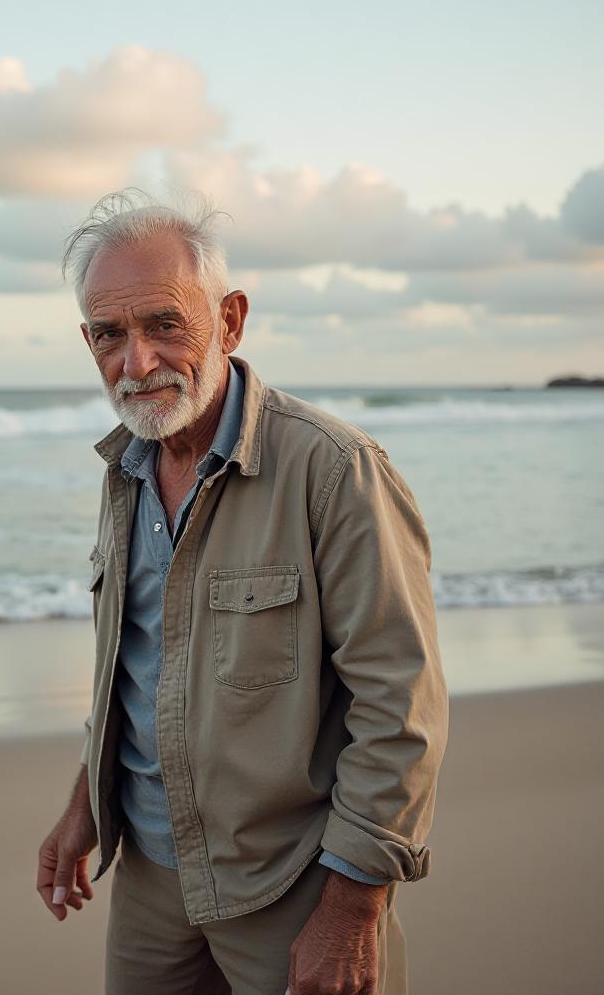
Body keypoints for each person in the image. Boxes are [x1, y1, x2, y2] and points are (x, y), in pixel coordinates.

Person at [36, 190, 449, 995]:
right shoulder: (127, 469)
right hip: (153, 877)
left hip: (293, 883)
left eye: (164, 324)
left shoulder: (334, 470)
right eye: (109, 334)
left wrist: (353, 905)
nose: (137, 362)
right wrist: (85, 798)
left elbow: (403, 710)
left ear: (229, 320)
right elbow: (140, 665)